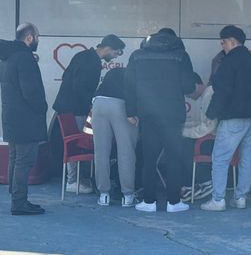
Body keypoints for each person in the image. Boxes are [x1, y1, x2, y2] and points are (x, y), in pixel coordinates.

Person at [125, 28, 195, 213]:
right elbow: (189, 86)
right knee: (174, 157)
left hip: (147, 114)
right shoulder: (181, 56)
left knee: (149, 158)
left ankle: (149, 202)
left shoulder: (137, 56)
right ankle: (174, 202)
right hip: (172, 114)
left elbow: (129, 85)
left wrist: (131, 111)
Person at [201, 25, 251, 212]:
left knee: (220, 159)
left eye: (223, 42)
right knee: (247, 159)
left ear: (231, 41)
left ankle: (218, 199)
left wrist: (210, 115)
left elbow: (221, 93)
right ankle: (240, 198)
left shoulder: (228, 63)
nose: (222, 46)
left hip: (233, 118)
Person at [53, 34, 125, 194]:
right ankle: (73, 180)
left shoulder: (83, 56)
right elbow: (80, 87)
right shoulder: (92, 62)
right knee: (76, 142)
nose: (114, 57)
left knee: (72, 142)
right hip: (76, 109)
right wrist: (92, 103)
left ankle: (77, 178)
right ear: (108, 48)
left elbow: (67, 77)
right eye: (116, 53)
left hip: (66, 106)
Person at [0, 23, 47, 215]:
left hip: (11, 116)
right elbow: (30, 91)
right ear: (29, 37)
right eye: (37, 36)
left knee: (15, 157)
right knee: (24, 161)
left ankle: (15, 196)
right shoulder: (24, 58)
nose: (38, 40)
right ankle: (19, 202)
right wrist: (41, 107)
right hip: (26, 119)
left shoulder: (8, 58)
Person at [92, 67, 139, 207]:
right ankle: (128, 195)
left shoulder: (112, 74)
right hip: (120, 105)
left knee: (101, 152)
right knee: (126, 152)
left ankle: (103, 194)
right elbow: (133, 95)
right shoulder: (135, 74)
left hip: (98, 103)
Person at [180, 72, 215, 202]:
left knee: (184, 146)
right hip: (212, 136)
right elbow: (203, 123)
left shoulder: (209, 96)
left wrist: (182, 132)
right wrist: (184, 126)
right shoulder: (207, 95)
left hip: (212, 139)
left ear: (195, 85)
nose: (187, 96)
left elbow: (206, 128)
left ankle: (199, 183)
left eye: (187, 93)